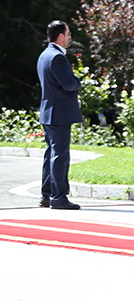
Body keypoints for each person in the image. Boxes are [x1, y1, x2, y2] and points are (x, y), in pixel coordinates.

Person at [37, 20, 83, 210]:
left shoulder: (44, 55)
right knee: (60, 156)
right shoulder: (57, 57)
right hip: (59, 114)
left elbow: (55, 86)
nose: (70, 38)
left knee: (51, 154)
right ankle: (59, 197)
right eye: (69, 34)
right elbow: (69, 84)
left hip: (50, 111)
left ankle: (47, 196)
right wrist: (77, 82)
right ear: (61, 36)